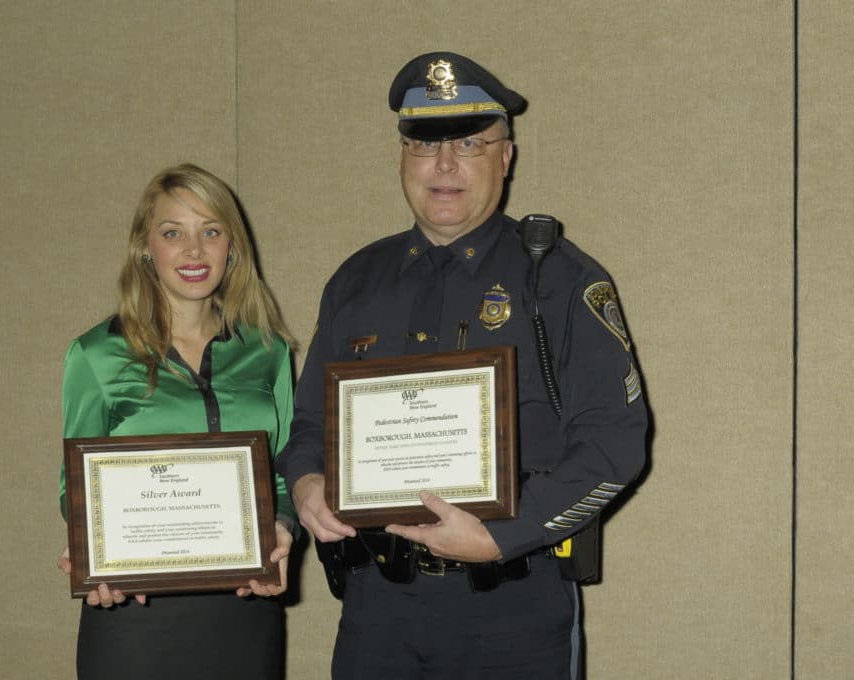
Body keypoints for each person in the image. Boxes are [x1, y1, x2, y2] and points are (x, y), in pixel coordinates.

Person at [277, 52, 649, 679]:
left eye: (471, 144)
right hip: (377, 612)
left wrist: (501, 535)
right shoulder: (355, 281)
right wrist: (310, 482)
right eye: (425, 145)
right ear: (402, 155)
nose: (444, 165)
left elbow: (615, 445)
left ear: (506, 157)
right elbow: (310, 424)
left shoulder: (562, 280)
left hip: (510, 607)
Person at [55, 163, 298, 679]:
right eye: (173, 233)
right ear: (146, 246)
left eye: (210, 231)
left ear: (232, 246)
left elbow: (283, 469)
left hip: (246, 605)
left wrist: (282, 528)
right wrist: (93, 546)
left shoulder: (267, 349)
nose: (194, 251)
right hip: (134, 612)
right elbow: (71, 486)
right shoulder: (95, 354)